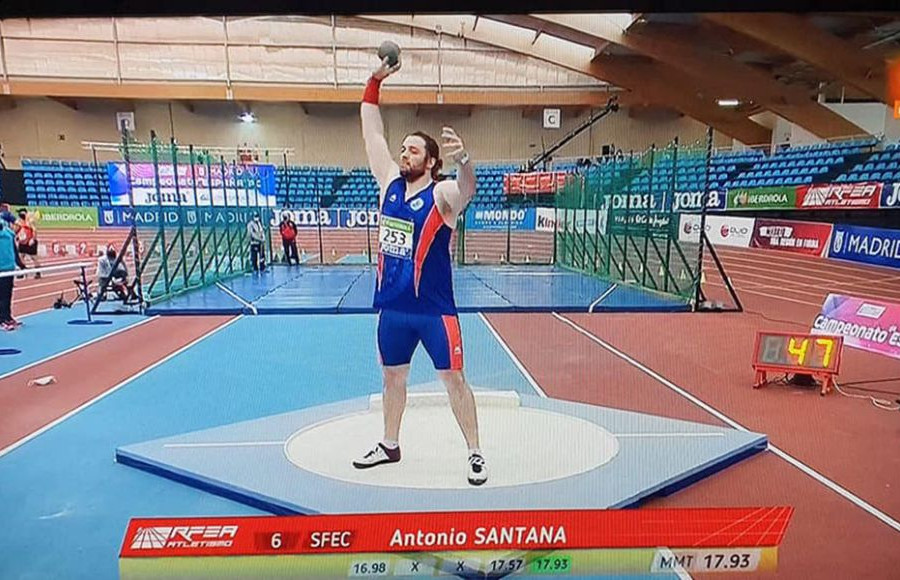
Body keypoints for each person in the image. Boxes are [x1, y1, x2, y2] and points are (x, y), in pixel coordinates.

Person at [353, 53, 486, 486]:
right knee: (393, 378)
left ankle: (475, 451)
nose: (403, 152)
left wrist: (465, 160)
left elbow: (468, 189)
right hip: (392, 309)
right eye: (404, 147)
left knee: (454, 380)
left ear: (430, 161)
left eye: (413, 149)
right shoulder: (388, 180)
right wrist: (375, 80)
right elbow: (371, 127)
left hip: (434, 312)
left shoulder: (443, 194)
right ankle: (389, 444)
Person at [0, 217, 25, 331]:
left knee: (8, 295)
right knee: (2, 296)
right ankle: (2, 320)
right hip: (0, 269)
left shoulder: (9, 232)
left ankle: (8, 317)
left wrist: (20, 264)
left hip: (9, 268)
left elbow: (14, 249)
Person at [14, 208, 41, 278]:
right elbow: (18, 230)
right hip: (22, 242)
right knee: (20, 256)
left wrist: (33, 239)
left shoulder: (30, 221)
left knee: (34, 258)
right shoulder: (19, 221)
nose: (18, 215)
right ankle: (23, 272)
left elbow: (35, 230)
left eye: (20, 213)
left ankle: (38, 272)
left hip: (30, 242)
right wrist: (17, 236)